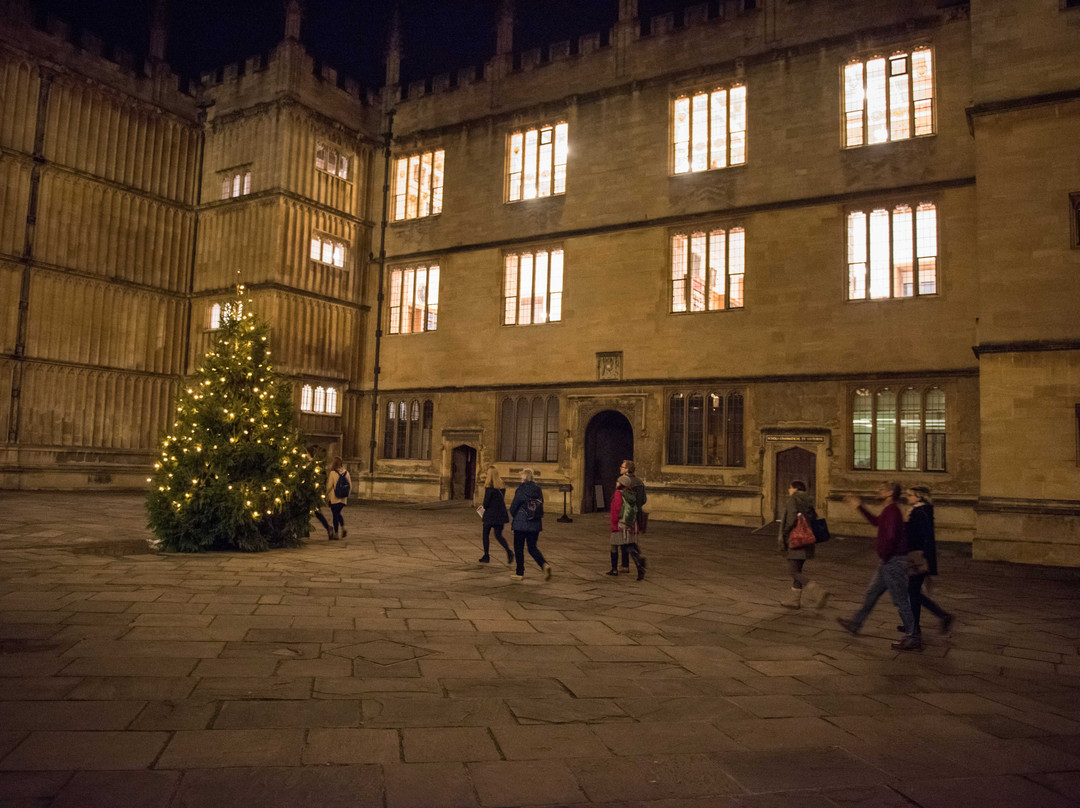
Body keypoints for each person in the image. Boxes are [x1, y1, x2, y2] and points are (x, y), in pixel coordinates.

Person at [837, 481, 920, 651]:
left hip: (893, 561)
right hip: (888, 562)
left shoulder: (892, 511)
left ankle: (913, 637)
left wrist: (885, 554)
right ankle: (856, 622)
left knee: (901, 601)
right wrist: (859, 507)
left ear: (890, 493)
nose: (878, 491)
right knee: (872, 593)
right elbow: (876, 522)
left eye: (882, 489)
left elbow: (890, 537)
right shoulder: (890, 510)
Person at [904, 485, 954, 637]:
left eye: (910, 495)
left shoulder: (919, 513)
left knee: (913, 592)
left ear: (919, 497)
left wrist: (905, 522)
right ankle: (914, 626)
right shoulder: (922, 511)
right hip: (919, 556)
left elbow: (916, 536)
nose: (908, 498)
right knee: (913, 592)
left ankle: (942, 616)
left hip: (918, 557)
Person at [777, 480, 829, 608]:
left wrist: (785, 533)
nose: (788, 491)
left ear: (795, 489)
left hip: (796, 540)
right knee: (797, 570)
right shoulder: (808, 502)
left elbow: (791, 519)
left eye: (790, 488)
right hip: (807, 541)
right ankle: (794, 600)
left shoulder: (793, 500)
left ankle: (818, 591)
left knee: (794, 571)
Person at [508, 468, 551, 581]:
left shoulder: (521, 489)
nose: (520, 480)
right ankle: (544, 564)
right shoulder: (538, 489)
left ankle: (519, 573)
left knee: (519, 548)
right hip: (535, 523)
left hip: (521, 523)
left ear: (524, 478)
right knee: (532, 547)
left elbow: (513, 507)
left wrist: (516, 516)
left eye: (521, 478)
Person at [606, 476, 645, 579]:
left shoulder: (618, 493)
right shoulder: (630, 494)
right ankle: (639, 565)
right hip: (629, 524)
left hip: (619, 525)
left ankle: (614, 569)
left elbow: (617, 508)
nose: (616, 483)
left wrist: (614, 522)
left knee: (614, 546)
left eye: (618, 481)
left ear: (621, 483)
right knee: (628, 545)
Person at [616, 460, 647, 575]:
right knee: (630, 539)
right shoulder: (639, 481)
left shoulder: (623, 480)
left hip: (625, 514)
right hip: (636, 514)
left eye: (622, 467)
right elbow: (644, 499)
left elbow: (617, 498)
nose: (620, 468)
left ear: (627, 469)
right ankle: (633, 562)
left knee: (624, 540)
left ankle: (630, 563)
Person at [479, 466, 513, 565]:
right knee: (498, 535)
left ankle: (486, 555)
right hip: (500, 515)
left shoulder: (489, 488)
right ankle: (509, 551)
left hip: (490, 515)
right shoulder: (502, 488)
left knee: (485, 535)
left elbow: (486, 503)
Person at [326, 457, 349, 540]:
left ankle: (336, 533)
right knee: (338, 513)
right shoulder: (346, 472)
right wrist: (346, 496)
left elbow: (329, 486)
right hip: (343, 498)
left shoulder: (332, 473)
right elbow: (350, 486)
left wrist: (326, 494)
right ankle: (343, 528)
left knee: (335, 515)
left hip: (334, 497)